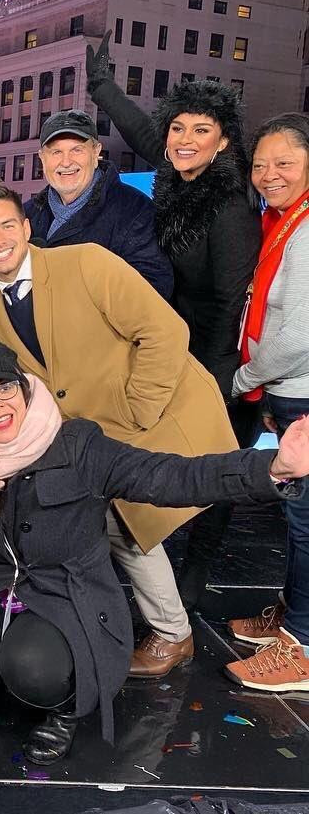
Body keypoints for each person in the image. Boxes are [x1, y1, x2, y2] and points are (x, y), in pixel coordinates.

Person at [0, 342, 307, 764]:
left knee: (33, 667)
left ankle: (63, 708)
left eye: (3, 388)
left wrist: (271, 468)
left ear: (25, 390)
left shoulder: (78, 446)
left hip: (66, 594)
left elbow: (171, 476)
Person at [0, 184, 238, 680]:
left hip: (160, 414)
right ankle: (167, 630)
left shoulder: (86, 262)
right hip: (95, 437)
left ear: (27, 228)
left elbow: (164, 330)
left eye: (7, 225)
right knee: (114, 523)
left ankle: (173, 634)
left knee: (127, 523)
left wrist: (138, 409)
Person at [86, 33, 262, 605]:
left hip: (216, 356)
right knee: (167, 467)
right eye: (179, 128)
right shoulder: (173, 176)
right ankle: (159, 574)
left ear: (223, 142)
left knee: (217, 473)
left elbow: (230, 302)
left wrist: (212, 379)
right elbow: (140, 130)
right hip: (175, 344)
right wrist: (101, 85)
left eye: (201, 131)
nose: (185, 141)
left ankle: (192, 579)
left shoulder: (231, 207)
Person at [226, 112, 309, 692]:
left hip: (302, 387)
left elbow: (298, 333)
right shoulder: (284, 221)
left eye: (284, 163)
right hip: (290, 390)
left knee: (307, 520)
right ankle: (291, 613)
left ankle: (303, 645)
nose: (269, 174)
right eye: (261, 164)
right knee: (297, 516)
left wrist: (243, 375)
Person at [24, 110, 173, 299]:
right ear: (42, 158)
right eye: (56, 152)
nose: (66, 162)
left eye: (77, 150)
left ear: (96, 152)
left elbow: (152, 290)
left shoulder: (135, 211)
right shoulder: (26, 214)